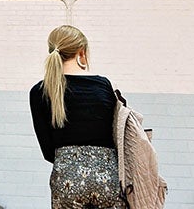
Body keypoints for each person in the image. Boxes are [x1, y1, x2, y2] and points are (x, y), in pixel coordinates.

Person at [29, 25, 125, 209]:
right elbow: (114, 135)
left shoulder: (39, 92)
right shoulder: (103, 85)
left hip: (66, 177)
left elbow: (48, 150)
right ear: (81, 52)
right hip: (107, 176)